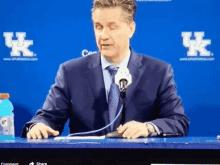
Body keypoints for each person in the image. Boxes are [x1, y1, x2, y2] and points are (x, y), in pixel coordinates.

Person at [21, 0, 189, 139]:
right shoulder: (71, 72)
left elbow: (178, 121)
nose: (103, 35)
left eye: (112, 27)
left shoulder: (158, 72)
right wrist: (39, 126)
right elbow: (48, 117)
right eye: (98, 26)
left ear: (131, 28)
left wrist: (148, 128)